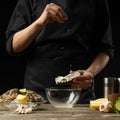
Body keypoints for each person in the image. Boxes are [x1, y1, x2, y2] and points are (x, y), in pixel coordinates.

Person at [6, 0, 114, 104]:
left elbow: (106, 48)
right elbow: (14, 46)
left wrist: (90, 73)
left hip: (79, 95)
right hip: (37, 96)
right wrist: (40, 22)